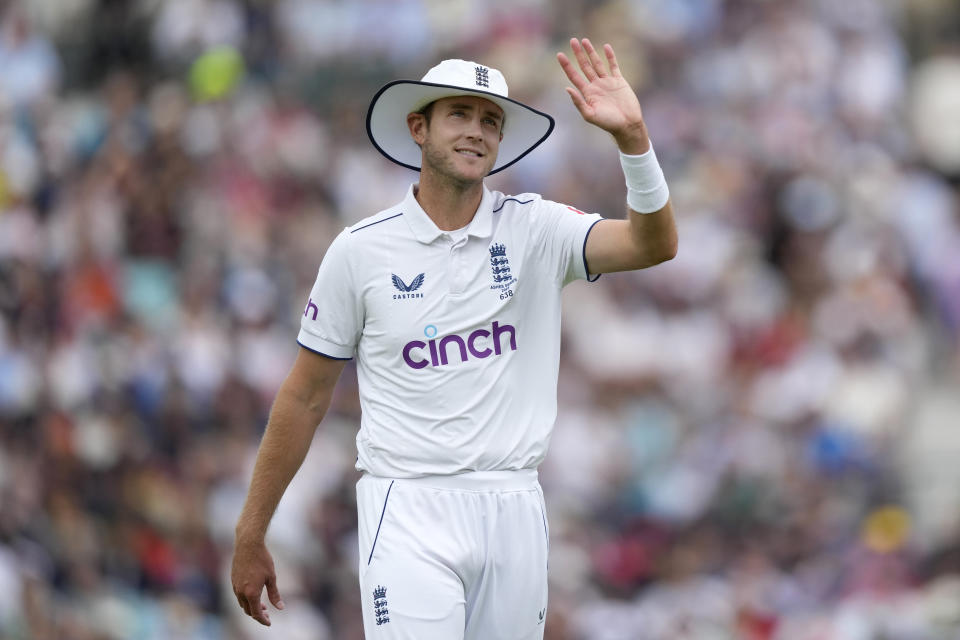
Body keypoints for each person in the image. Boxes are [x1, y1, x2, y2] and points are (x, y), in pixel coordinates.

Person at [231, 37, 677, 639]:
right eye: (459, 115)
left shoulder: (536, 228)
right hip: (407, 505)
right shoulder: (361, 250)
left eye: (490, 120)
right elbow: (305, 398)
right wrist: (251, 531)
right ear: (419, 127)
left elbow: (654, 245)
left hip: (514, 503)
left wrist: (634, 141)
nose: (477, 131)